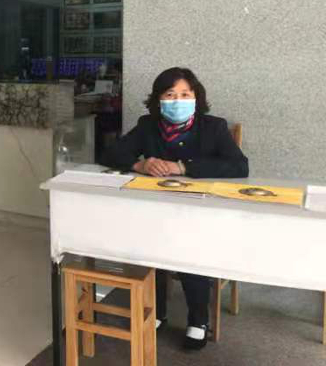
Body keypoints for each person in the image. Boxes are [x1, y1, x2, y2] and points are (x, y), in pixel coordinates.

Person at [100, 67, 248, 350]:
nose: (177, 101)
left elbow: (240, 166)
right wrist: (139, 164)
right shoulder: (148, 125)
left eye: (184, 94)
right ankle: (157, 312)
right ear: (158, 99)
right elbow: (110, 153)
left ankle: (198, 320)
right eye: (170, 95)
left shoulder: (214, 127)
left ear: (196, 97)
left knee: (189, 247)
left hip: (199, 213)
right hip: (158, 211)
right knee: (149, 245)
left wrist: (183, 167)